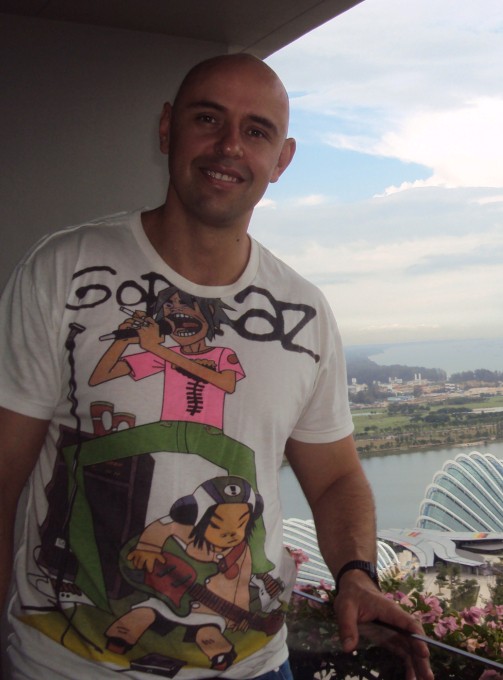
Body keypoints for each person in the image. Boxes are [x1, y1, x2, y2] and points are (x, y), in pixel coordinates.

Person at [0, 54, 433, 680]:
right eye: (208, 118)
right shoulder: (63, 270)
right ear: (167, 128)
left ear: (281, 160)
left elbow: (336, 477)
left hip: (258, 666)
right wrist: (132, 343)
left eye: (256, 130)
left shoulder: (304, 312)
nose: (230, 145)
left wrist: (357, 574)